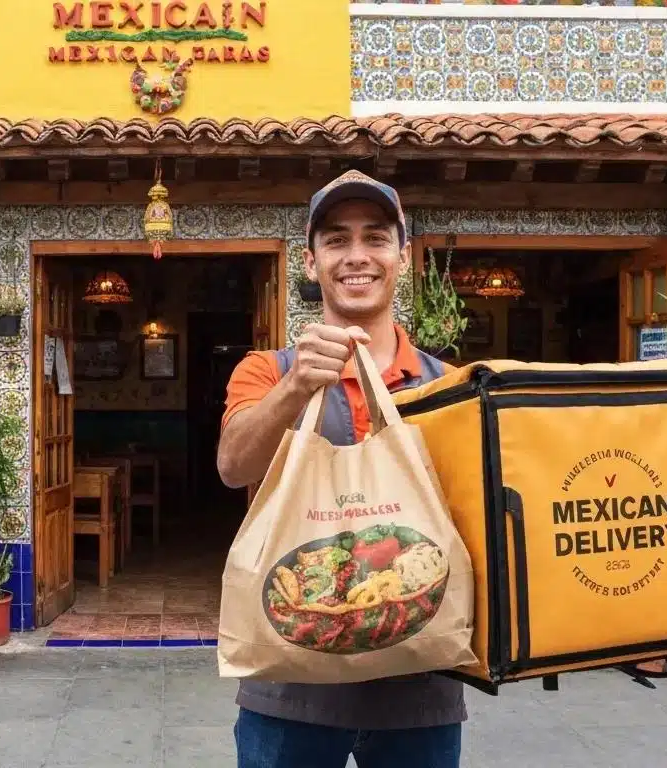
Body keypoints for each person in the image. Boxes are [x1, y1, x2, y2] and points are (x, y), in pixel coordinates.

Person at [216, 170, 464, 768]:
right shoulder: (266, 370)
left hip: (420, 685)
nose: (357, 256)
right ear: (310, 261)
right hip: (291, 689)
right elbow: (232, 464)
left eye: (376, 238)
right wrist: (296, 386)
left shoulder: (451, 385)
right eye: (336, 240)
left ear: (403, 256)